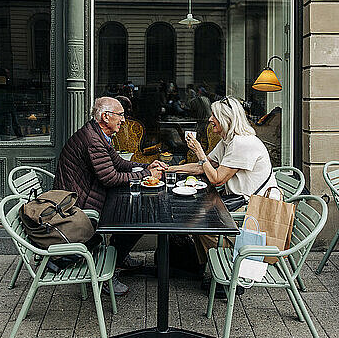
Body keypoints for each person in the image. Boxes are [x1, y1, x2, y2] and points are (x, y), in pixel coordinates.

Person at [53, 96, 167, 295]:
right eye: (120, 115)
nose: (123, 120)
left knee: (134, 214)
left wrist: (145, 166)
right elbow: (110, 178)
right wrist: (147, 174)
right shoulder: (93, 141)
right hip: (79, 204)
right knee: (134, 219)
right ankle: (109, 273)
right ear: (106, 117)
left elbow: (118, 163)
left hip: (87, 193)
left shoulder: (97, 134)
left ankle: (118, 257)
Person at [168, 96, 276, 263]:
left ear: (227, 119)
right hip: (236, 201)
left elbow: (217, 179)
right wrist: (169, 168)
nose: (210, 119)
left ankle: (222, 267)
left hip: (251, 208)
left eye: (214, 115)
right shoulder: (229, 140)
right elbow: (202, 166)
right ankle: (206, 266)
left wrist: (199, 150)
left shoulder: (242, 143)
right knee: (196, 217)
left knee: (201, 224)